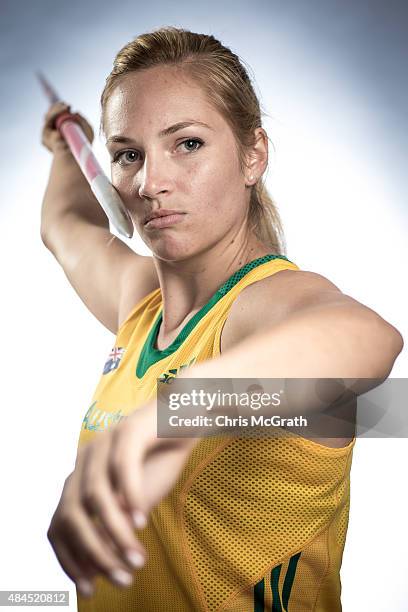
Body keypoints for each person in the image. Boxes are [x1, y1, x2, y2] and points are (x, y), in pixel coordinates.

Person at [40, 26, 403, 612]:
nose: (152, 183)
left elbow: (370, 339)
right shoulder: (141, 305)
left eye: (187, 144)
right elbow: (65, 227)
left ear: (252, 155)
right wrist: (66, 145)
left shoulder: (266, 304)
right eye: (128, 154)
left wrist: (176, 408)